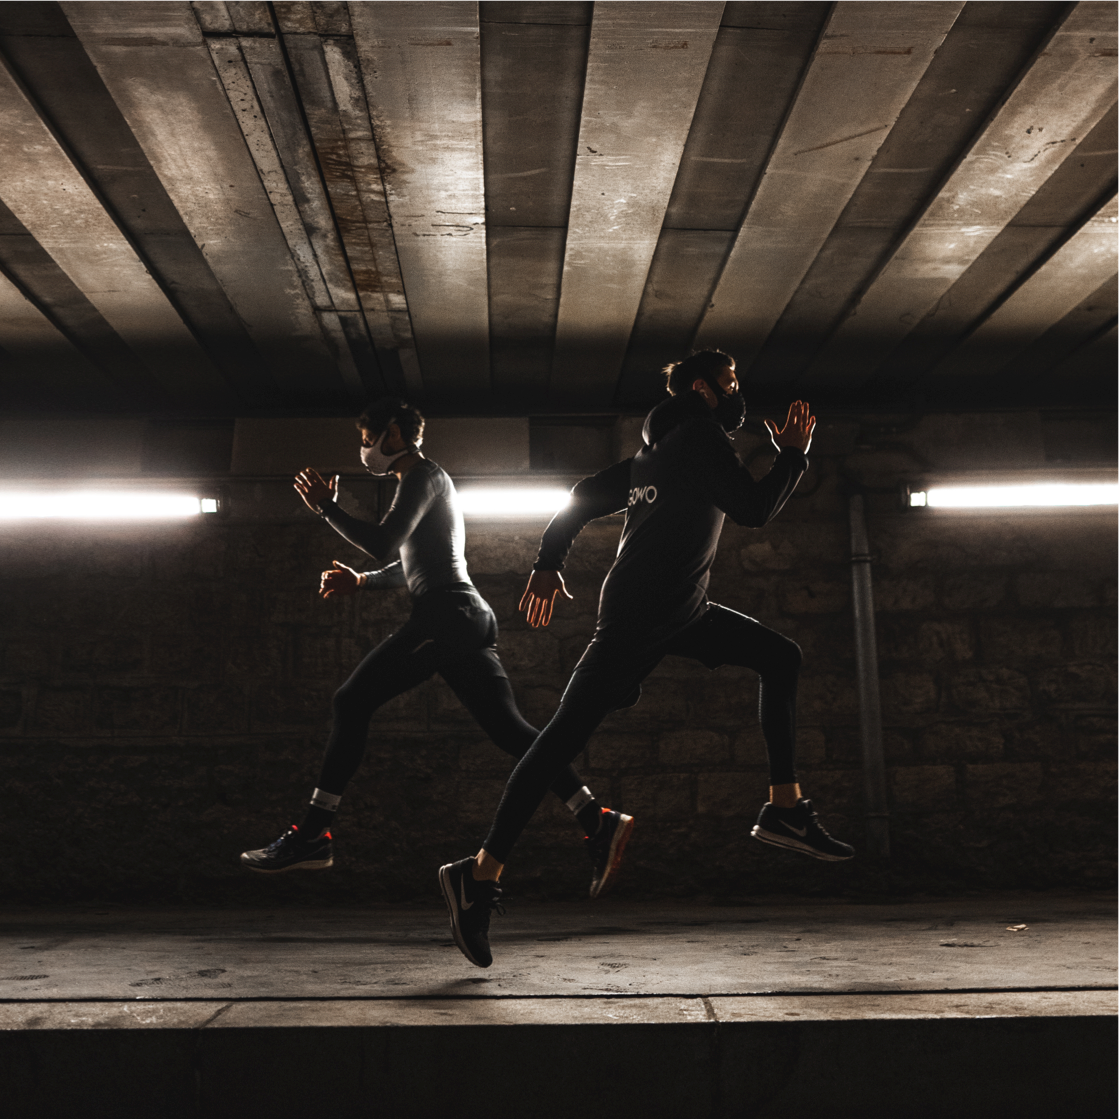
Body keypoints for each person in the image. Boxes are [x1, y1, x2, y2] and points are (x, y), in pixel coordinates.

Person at [438, 351, 853, 968]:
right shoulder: (699, 435)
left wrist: (549, 561)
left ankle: (785, 809)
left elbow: (584, 495)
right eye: (730, 382)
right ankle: (477, 874)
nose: (738, 391)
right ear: (702, 388)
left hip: (679, 611)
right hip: (641, 616)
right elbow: (754, 509)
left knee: (779, 657)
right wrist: (793, 455)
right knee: (557, 743)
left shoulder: (656, 452)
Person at [241, 397, 632, 897]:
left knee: (351, 701)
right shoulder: (424, 483)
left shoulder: (422, 476)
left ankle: (314, 833)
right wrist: (361, 581)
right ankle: (596, 818)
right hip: (463, 617)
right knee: (511, 731)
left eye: (368, 439)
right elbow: (411, 563)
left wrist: (326, 508)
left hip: (447, 617)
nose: (365, 450)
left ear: (395, 434)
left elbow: (384, 543)